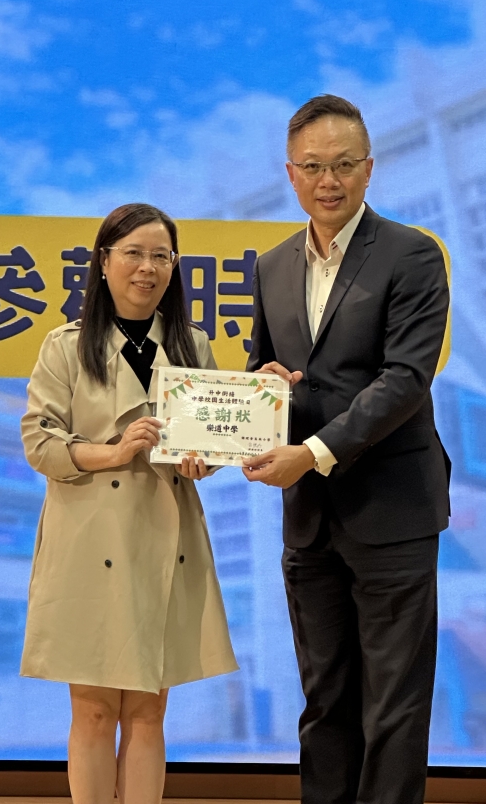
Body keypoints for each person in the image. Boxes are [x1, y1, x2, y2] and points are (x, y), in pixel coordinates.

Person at [243, 95, 450, 804]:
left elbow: (406, 379)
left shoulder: (412, 253)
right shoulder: (272, 266)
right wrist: (250, 407)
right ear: (290, 174)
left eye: (342, 164)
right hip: (309, 518)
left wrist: (313, 451)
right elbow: (262, 372)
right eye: (312, 167)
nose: (327, 180)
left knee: (394, 704)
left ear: (369, 168)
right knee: (325, 698)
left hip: (392, 509)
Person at [20, 202, 237, 804]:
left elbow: (215, 443)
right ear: (104, 261)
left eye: (161, 256)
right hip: (88, 539)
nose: (148, 268)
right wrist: (113, 452)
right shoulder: (65, 346)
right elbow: (40, 442)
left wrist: (205, 460)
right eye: (134, 254)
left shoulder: (192, 344)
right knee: (93, 710)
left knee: (148, 711)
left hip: (163, 538)